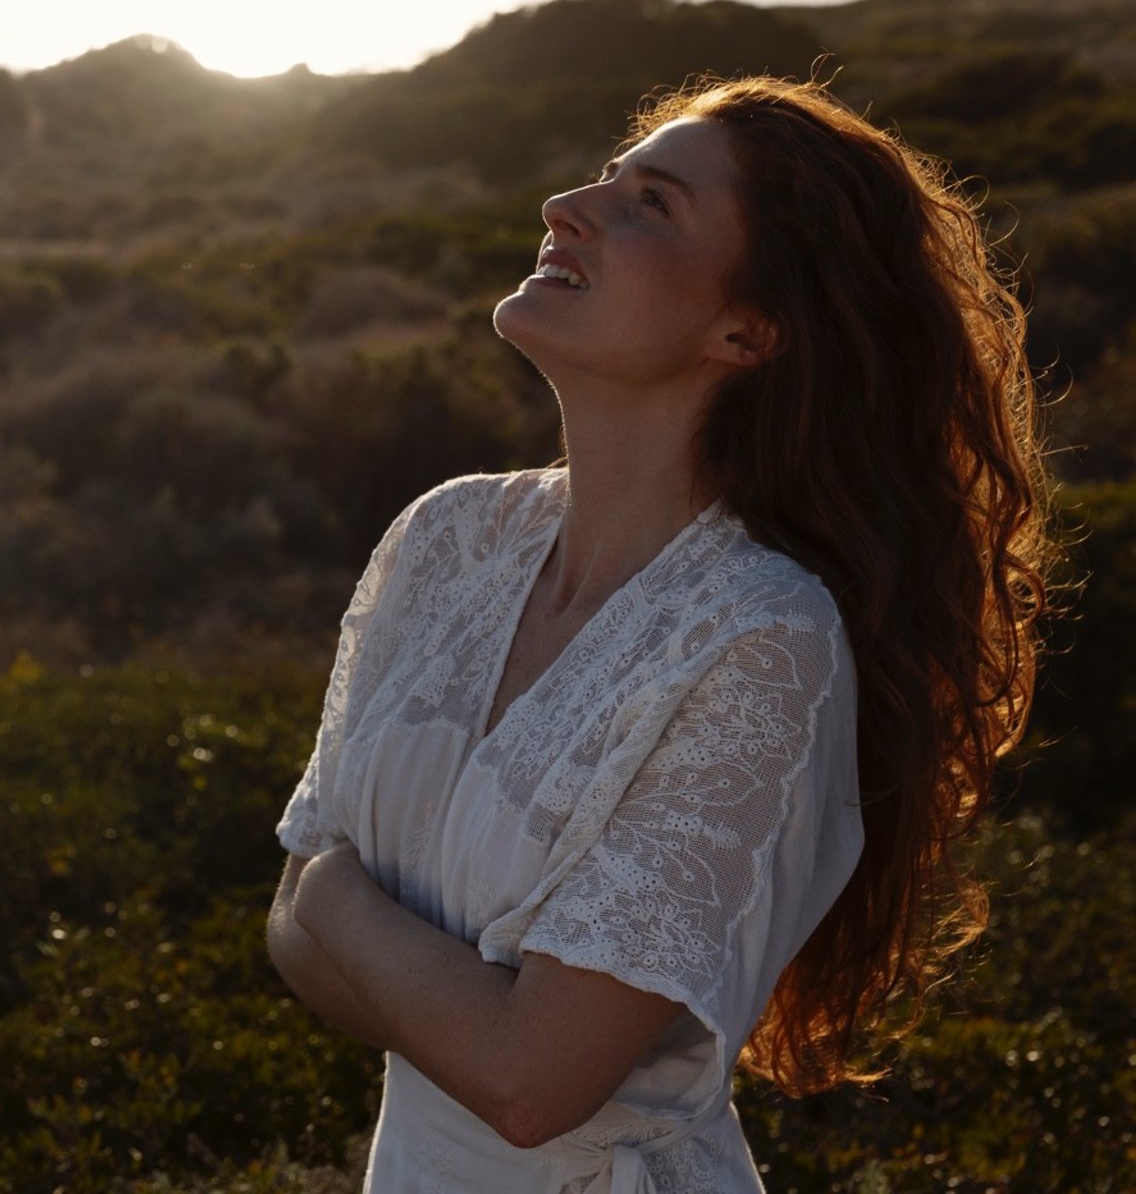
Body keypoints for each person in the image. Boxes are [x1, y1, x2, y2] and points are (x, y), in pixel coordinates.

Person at [266, 75, 1053, 1192]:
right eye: (606, 179)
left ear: (748, 327)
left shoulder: (763, 640)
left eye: (652, 205)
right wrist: (455, 999)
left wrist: (339, 893)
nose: (565, 205)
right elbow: (282, 936)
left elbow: (531, 1079)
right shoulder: (448, 540)